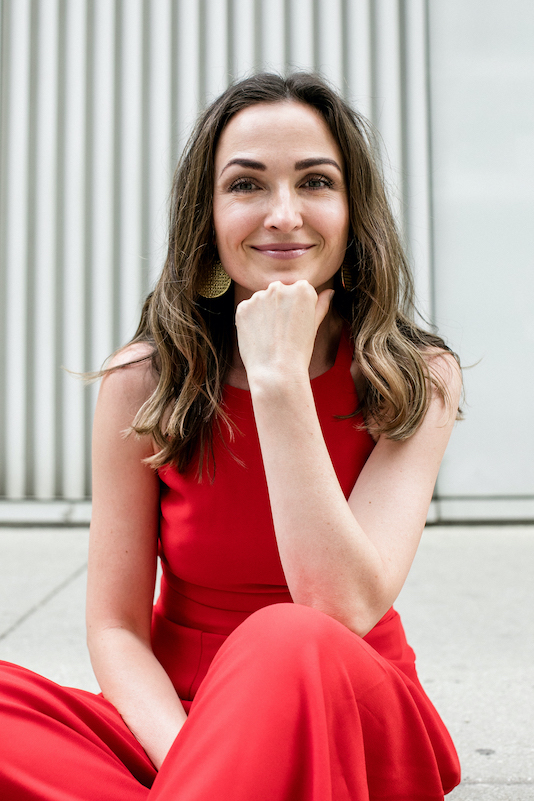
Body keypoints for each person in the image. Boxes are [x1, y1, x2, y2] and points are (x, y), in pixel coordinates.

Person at [0, 72, 462, 800]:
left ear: (352, 209)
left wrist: (279, 379)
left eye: (315, 181)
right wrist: (198, 759)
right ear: (208, 217)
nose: (284, 213)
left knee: (284, 634)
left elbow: (338, 607)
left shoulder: (416, 375)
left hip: (346, 711)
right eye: (247, 186)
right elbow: (117, 628)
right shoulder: (144, 380)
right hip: (179, 723)